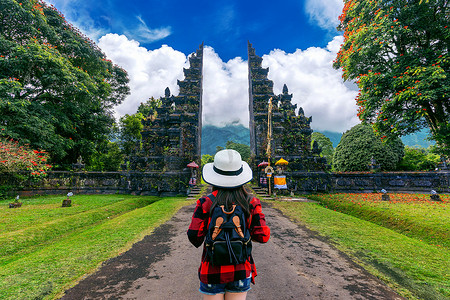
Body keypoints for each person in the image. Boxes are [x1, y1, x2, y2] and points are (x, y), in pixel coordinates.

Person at [187, 149, 270, 300]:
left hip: (211, 269)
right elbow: (263, 236)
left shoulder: (206, 202)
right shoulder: (251, 202)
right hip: (240, 268)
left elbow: (194, 236)